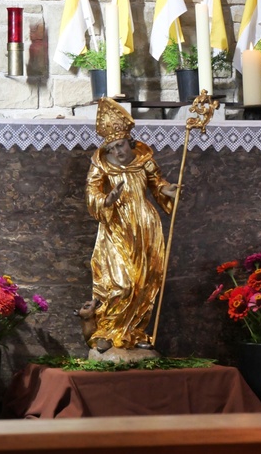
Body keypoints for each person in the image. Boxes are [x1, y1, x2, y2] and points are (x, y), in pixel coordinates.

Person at [85, 97, 178, 353]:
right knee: (120, 283)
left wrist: (167, 190)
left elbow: (155, 182)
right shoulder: (100, 163)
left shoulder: (144, 159)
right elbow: (91, 191)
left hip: (144, 226)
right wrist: (107, 199)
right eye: (112, 147)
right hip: (116, 226)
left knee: (144, 281)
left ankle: (133, 331)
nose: (117, 151)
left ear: (130, 142)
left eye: (121, 145)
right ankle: (106, 330)